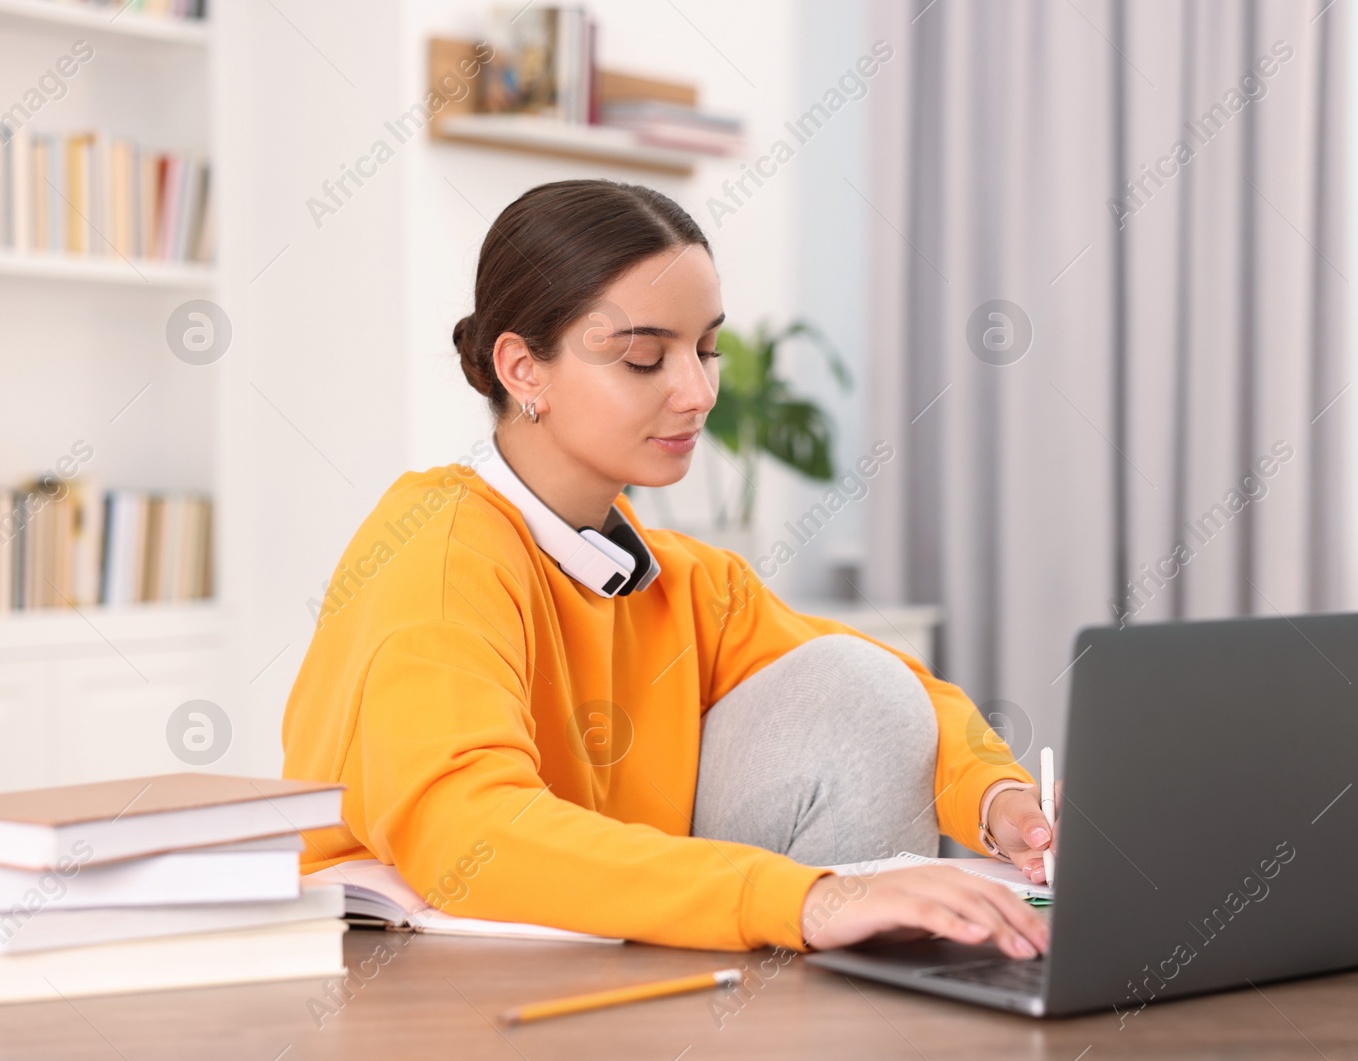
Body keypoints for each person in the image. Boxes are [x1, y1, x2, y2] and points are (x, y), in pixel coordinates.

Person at [281, 179, 1051, 960]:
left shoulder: (683, 581)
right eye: (645, 357)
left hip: (593, 943)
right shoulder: (436, 554)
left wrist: (999, 798)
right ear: (522, 369)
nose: (699, 390)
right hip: (416, 967)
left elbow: (894, 693)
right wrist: (811, 899)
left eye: (707, 348)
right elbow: (464, 831)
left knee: (861, 687)